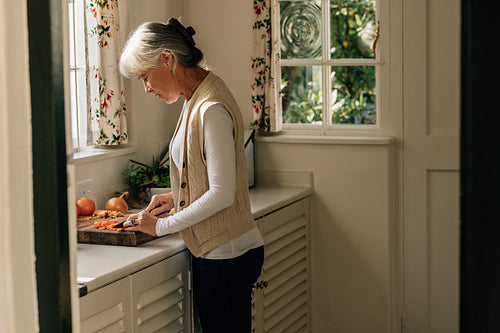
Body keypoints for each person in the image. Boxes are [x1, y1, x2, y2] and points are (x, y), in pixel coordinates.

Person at [118, 18, 264, 333]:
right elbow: (208, 175)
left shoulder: (210, 107)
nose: (146, 89)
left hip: (227, 254)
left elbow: (221, 193)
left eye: (145, 77)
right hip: (222, 252)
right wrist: (175, 197)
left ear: (167, 59)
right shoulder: (196, 96)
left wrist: (161, 227)